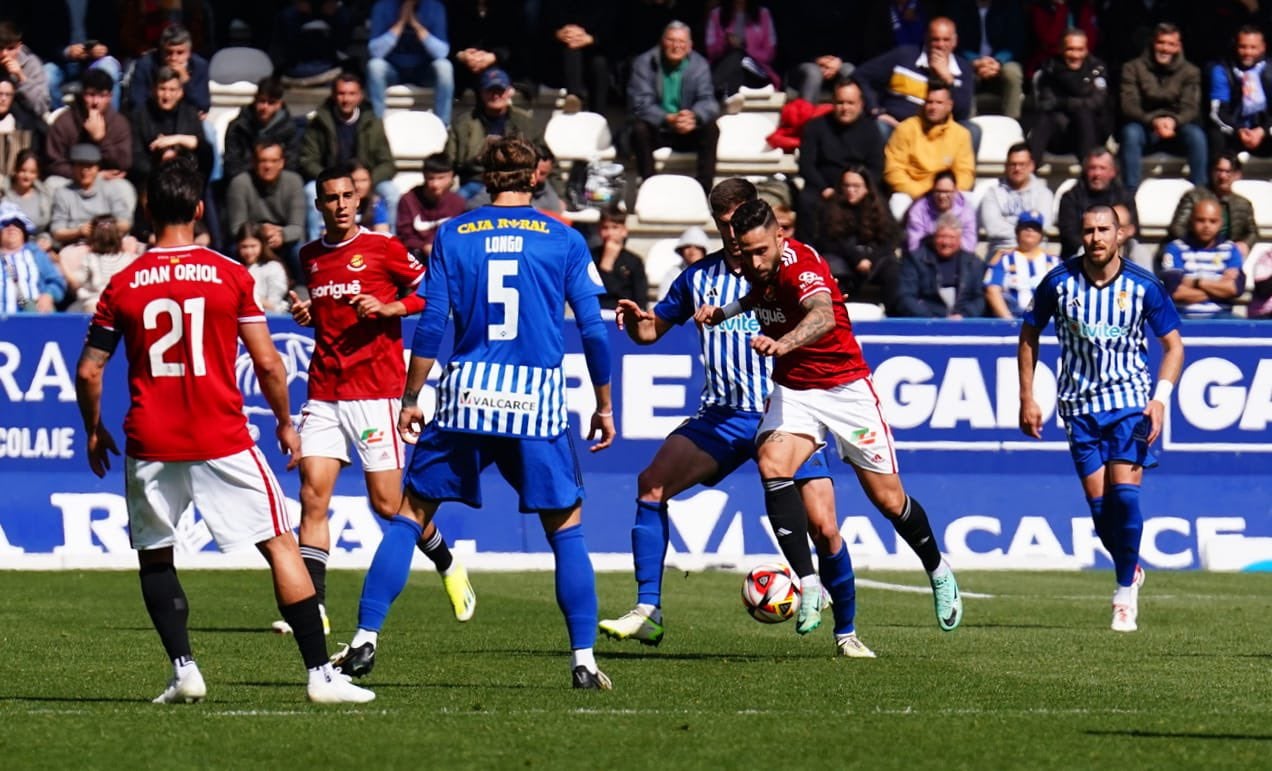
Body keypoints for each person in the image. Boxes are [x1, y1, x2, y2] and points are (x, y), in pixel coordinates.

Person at [73, 156, 374, 703]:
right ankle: (319, 675)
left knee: (156, 555)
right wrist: (285, 422)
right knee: (281, 544)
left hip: (151, 440)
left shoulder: (124, 282)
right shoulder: (229, 273)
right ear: (196, 208)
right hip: (221, 436)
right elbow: (269, 364)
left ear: (146, 208)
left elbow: (90, 369)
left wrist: (94, 429)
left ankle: (184, 668)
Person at [332, 137, 617, 689]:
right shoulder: (563, 237)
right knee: (567, 531)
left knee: (410, 516)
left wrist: (412, 396)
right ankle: (583, 660)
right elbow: (593, 329)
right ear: (535, 177)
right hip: (536, 400)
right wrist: (604, 404)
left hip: (469, 394)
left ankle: (366, 639)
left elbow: (433, 322)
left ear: (485, 178)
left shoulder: (455, 234)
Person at [599, 178, 874, 657]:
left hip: (788, 412)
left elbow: (821, 312)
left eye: (735, 222)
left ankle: (846, 633)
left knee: (824, 526)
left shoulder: (792, 268)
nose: (729, 234)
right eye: (721, 224)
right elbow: (652, 332)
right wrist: (635, 321)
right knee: (651, 485)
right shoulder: (698, 278)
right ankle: (648, 611)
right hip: (724, 415)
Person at [695, 198, 963, 636]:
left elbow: (820, 314)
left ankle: (937, 569)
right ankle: (809, 582)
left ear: (780, 235)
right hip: (796, 390)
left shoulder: (803, 267)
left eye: (761, 250)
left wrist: (784, 344)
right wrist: (724, 313)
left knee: (889, 501)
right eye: (744, 251)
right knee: (771, 464)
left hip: (845, 390)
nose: (753, 260)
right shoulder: (756, 270)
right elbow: (761, 299)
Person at [281, 163, 475, 637]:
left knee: (389, 505)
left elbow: (432, 295)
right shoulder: (310, 256)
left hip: (375, 393)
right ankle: (316, 609)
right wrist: (313, 313)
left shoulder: (384, 249)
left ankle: (449, 564)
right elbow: (332, 312)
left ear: (359, 201)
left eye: (349, 196)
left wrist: (391, 307)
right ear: (320, 205)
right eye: (332, 198)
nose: (342, 204)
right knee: (312, 497)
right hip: (325, 392)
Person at [1018, 204, 1184, 632]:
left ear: (1121, 234)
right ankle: (1131, 566)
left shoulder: (1143, 285)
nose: (1096, 238)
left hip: (1130, 404)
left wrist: (1160, 399)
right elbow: (1029, 332)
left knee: (1126, 499)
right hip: (1078, 406)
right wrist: (1028, 396)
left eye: (1104, 229)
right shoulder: (1058, 282)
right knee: (1101, 510)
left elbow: (1174, 346)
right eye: (1089, 230)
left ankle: (1124, 594)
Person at [298, 73, 398, 241]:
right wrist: (328, 180)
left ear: (360, 96)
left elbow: (387, 163)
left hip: (366, 180)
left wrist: (367, 180)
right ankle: (315, 245)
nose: (346, 99)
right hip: (332, 181)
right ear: (333, 95)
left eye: (351, 94)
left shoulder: (372, 121)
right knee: (309, 192)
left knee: (390, 192)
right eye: (341, 93)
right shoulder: (320, 121)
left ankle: (391, 244)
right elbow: (307, 159)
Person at [628, 21, 721, 194]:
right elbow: (640, 103)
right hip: (659, 129)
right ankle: (649, 187)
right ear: (662, 41)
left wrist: (694, 116)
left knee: (711, 127)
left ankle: (703, 190)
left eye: (681, 42)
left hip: (687, 129)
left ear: (690, 45)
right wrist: (667, 118)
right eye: (671, 40)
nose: (676, 46)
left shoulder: (699, 64)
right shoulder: (644, 63)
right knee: (639, 129)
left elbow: (708, 100)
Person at [1117, 23, 1206, 192]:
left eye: (1171, 44)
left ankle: (1201, 191)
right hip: (1145, 127)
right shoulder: (1132, 68)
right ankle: (1129, 193)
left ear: (1178, 46)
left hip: (1177, 129)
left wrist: (1173, 121)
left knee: (1197, 136)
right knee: (1130, 133)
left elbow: (1190, 107)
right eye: (1161, 43)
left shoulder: (1190, 71)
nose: (1165, 49)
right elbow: (1129, 105)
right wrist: (1154, 121)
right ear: (1152, 43)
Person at [795, 76, 885, 236]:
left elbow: (876, 167)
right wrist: (824, 189)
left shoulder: (870, 130)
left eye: (850, 103)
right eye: (840, 102)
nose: (845, 108)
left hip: (858, 187)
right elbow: (806, 164)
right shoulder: (815, 126)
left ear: (860, 104)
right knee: (806, 200)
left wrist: (859, 189)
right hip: (824, 187)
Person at [882, 82, 974, 218]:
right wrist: (921, 194)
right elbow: (893, 170)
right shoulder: (906, 129)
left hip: (947, 193)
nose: (933, 107)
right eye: (929, 102)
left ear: (949, 106)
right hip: (913, 193)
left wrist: (945, 192)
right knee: (898, 201)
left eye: (939, 103)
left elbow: (965, 173)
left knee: (971, 199)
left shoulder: (961, 134)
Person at [445, 67, 539, 200]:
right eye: (490, 91)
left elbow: (544, 157)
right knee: (455, 204)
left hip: (516, 183)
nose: (495, 96)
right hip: (475, 182)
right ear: (481, 93)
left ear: (509, 92)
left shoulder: (525, 122)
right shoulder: (463, 123)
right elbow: (449, 160)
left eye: (499, 91)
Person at [810, 164, 899, 304]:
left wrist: (870, 259)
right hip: (843, 258)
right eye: (847, 186)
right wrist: (856, 259)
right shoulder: (829, 208)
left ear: (866, 187)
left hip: (873, 259)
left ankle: (893, 314)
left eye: (856, 186)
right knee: (833, 268)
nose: (851, 190)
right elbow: (827, 241)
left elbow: (889, 240)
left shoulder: (880, 208)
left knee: (893, 270)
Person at [1027, 28, 1112, 164]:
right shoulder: (1049, 68)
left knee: (1083, 114)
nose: (1075, 55)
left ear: (1086, 50)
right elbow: (1047, 104)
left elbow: (1097, 102)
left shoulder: (1097, 68)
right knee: (1045, 119)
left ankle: (1087, 172)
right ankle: (1029, 171)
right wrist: (1079, 100)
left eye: (1080, 50)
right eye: (1070, 49)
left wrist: (1065, 103)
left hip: (1091, 133)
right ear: (1061, 49)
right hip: (1059, 134)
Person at [226, 139, 307, 279]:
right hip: (251, 238)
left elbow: (297, 227)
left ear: (281, 163)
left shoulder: (294, 181)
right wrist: (261, 232)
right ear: (254, 162)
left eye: (274, 160)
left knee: (300, 250)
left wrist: (281, 235)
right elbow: (236, 228)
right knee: (232, 251)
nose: (268, 166)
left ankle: (302, 289)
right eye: (263, 161)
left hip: (284, 239)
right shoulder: (240, 183)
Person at [367, 0, 454, 123]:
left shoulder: (435, 7)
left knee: (445, 67)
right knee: (375, 66)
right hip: (393, 70)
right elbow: (376, 52)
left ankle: (444, 127)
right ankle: (377, 128)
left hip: (423, 71)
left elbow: (441, 53)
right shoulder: (382, 6)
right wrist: (401, 22)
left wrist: (415, 24)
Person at [1158, 197, 1244, 319]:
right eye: (1200, 220)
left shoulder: (1231, 249)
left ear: (1221, 223)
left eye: (1213, 221)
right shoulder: (1175, 248)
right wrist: (1219, 290)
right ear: (1191, 221)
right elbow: (1175, 292)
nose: (1206, 226)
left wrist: (1196, 282)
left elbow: (1234, 289)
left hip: (1222, 317)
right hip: (1183, 317)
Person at [129, 65, 213, 187]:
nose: (167, 96)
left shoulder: (190, 114)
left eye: (172, 90)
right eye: (162, 89)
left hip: (184, 178)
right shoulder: (139, 115)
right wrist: (162, 162)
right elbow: (135, 158)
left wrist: (178, 139)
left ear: (180, 92)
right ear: (153, 90)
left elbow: (205, 153)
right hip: (150, 180)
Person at [890, 212, 986, 318]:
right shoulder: (915, 260)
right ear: (934, 237)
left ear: (959, 240)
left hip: (962, 322)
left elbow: (979, 298)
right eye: (941, 236)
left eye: (951, 237)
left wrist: (964, 315)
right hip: (927, 321)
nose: (946, 242)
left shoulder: (973, 262)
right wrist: (930, 318)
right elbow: (905, 296)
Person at [45, 68, 133, 182]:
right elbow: (53, 163)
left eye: (102, 96)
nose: (95, 102)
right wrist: (91, 176)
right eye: (91, 95)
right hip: (71, 180)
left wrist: (101, 140)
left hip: (106, 181)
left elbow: (124, 163)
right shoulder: (64, 121)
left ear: (110, 97)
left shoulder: (119, 123)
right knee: (52, 183)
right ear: (82, 94)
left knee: (124, 189)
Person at [1167, 151, 1259, 257]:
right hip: (1194, 254)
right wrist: (1200, 242)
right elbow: (1177, 227)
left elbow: (1252, 232)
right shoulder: (1193, 197)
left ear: (1237, 175)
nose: (1222, 176)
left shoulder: (1243, 204)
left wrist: (1245, 244)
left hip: (1227, 257)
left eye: (1228, 172)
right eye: (1219, 170)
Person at [1056, 148, 1137, 259]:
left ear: (1113, 171)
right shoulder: (1070, 198)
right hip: (1080, 256)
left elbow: (1133, 230)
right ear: (1085, 170)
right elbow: (1069, 236)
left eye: (1102, 168)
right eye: (1092, 168)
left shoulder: (1125, 197)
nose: (1097, 173)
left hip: (1120, 255)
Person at [978, 142, 1053, 256]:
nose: (1017, 169)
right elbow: (993, 228)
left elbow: (1043, 226)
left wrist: (1017, 235)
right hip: (1001, 252)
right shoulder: (993, 193)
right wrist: (1026, 233)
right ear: (1006, 166)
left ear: (1031, 166)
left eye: (1022, 164)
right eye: (1013, 164)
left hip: (1035, 253)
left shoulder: (1044, 193)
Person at [1208, 26, 1272, 157]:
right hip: (1235, 132)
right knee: (1215, 133)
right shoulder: (1222, 70)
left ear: (1263, 47)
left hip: (1266, 131)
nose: (1248, 52)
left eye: (1253, 47)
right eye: (1243, 47)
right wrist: (1239, 131)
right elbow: (1218, 112)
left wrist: (1262, 131)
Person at [223, 77, 300, 184]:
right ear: (255, 99)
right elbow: (232, 163)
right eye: (262, 101)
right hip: (245, 182)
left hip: (278, 185)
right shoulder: (238, 127)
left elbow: (291, 163)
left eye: (271, 102)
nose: (265, 107)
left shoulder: (289, 129)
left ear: (279, 104)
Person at [983, 210, 1058, 319]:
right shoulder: (1003, 260)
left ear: (1041, 235)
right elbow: (992, 290)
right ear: (1017, 232)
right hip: (1013, 321)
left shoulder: (1054, 262)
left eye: (1035, 228)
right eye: (1025, 227)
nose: (1030, 230)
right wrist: (1008, 320)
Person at [703, 1, 780, 97]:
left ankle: (711, 92)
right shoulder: (716, 14)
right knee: (735, 59)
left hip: (755, 69)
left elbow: (769, 53)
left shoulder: (763, 14)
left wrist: (744, 48)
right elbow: (711, 51)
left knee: (738, 55)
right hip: (724, 67)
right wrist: (726, 43)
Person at [396, 153, 465, 259]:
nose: (435, 184)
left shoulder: (458, 203)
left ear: (451, 177)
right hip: (416, 256)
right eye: (431, 178)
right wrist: (424, 246)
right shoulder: (408, 200)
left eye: (441, 178)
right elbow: (404, 235)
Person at [0, 203, 64, 314]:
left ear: (24, 230)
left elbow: (56, 282)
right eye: (5, 223)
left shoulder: (37, 255)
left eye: (17, 223)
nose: (11, 227)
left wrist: (48, 295)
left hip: (33, 318)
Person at [69, 213, 137, 314]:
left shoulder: (128, 259)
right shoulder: (90, 258)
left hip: (118, 303)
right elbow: (77, 281)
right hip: (95, 302)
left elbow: (76, 281)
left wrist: (63, 265)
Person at [904, 170, 976, 254]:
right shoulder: (919, 210)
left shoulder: (966, 210)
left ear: (955, 191)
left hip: (958, 258)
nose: (942, 196)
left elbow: (970, 244)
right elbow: (914, 244)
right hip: (925, 259)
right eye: (938, 191)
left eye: (946, 192)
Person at [592, 206, 649, 310]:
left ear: (624, 231)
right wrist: (606, 263)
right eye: (605, 228)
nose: (609, 233)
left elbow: (640, 298)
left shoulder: (634, 261)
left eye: (615, 227)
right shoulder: (590, 257)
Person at [234, 223, 289, 314]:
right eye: (244, 247)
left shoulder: (273, 268)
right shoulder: (235, 268)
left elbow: (274, 305)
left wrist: (250, 298)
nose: (249, 251)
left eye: (253, 246)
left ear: (262, 245)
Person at [0, 20, 51, 117]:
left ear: (19, 47)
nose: (5, 54)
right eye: (0, 48)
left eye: (10, 48)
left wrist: (21, 78)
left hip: (23, 122)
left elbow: (42, 107)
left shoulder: (31, 64)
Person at [1, 149, 53, 242]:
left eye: (32, 172)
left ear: (37, 174)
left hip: (35, 245)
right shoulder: (3, 195)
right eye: (23, 170)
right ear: (15, 170)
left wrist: (45, 240)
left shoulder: (44, 197)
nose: (27, 176)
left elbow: (47, 230)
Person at [654, 224, 709, 297]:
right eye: (688, 247)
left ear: (703, 251)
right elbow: (664, 301)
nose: (692, 251)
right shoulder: (673, 275)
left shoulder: (713, 273)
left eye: (697, 247)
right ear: (681, 251)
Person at [350, 160, 392, 233]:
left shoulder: (376, 205)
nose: (359, 186)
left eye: (364, 180)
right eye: (355, 181)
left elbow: (382, 235)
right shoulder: (339, 205)